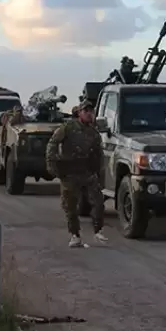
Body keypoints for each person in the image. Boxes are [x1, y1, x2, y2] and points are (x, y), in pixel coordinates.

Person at [46, 100, 107, 248]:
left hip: (87, 171)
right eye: (86, 111)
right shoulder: (68, 127)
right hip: (70, 172)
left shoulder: (94, 133)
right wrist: (52, 164)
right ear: (79, 113)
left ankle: (98, 230)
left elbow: (99, 154)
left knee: (98, 202)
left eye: (91, 111)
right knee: (70, 205)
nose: (89, 114)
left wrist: (99, 172)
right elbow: (53, 143)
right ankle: (75, 235)